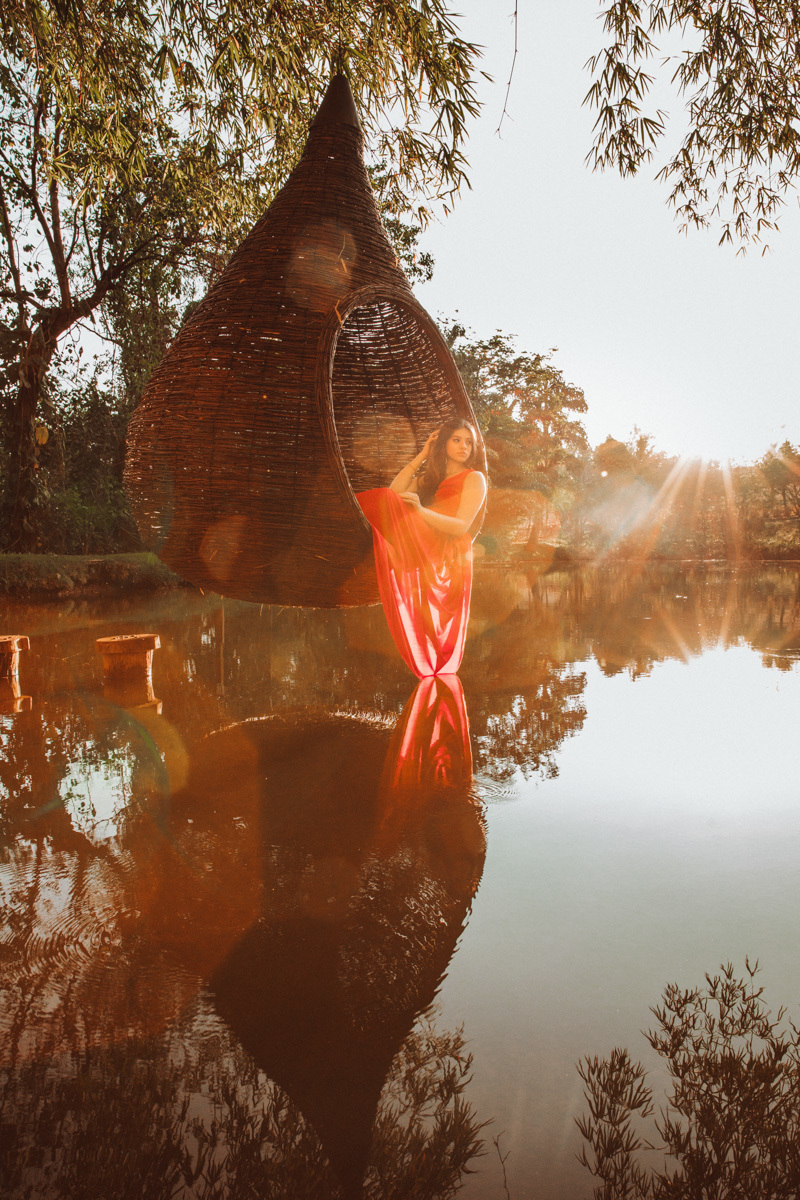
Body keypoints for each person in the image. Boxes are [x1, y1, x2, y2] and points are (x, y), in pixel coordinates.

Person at [356, 418, 488, 678]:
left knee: (384, 501)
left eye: (469, 442)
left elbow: (461, 526)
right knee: (380, 498)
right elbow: (392, 494)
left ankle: (390, 547)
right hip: (420, 532)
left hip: (443, 543)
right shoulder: (430, 478)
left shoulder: (474, 478)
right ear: (443, 443)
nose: (464, 447)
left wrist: (419, 510)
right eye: (456, 440)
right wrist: (423, 455)